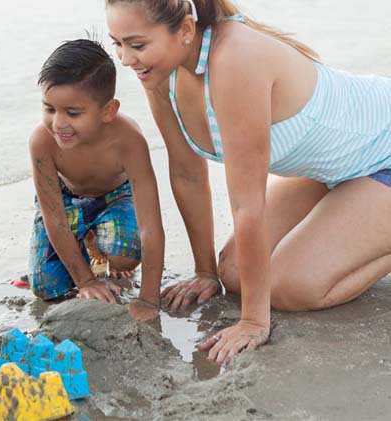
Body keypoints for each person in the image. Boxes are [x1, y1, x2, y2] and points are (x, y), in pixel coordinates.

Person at [105, 0, 391, 364]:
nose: (126, 59)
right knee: (233, 273)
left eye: (137, 45)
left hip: (383, 151)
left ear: (186, 30)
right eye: (117, 43)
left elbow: (246, 204)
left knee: (286, 285)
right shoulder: (160, 71)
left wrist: (254, 321)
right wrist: (205, 272)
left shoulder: (235, 60)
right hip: (336, 169)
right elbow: (188, 174)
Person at [28, 39, 165, 321]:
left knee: (125, 254)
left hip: (116, 195)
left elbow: (150, 224)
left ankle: (98, 240)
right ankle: (86, 240)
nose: (58, 124)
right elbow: (54, 218)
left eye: (73, 113)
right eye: (49, 109)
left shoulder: (129, 141)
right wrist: (86, 281)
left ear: (108, 111)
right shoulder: (42, 142)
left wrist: (149, 299)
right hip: (67, 199)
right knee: (47, 287)